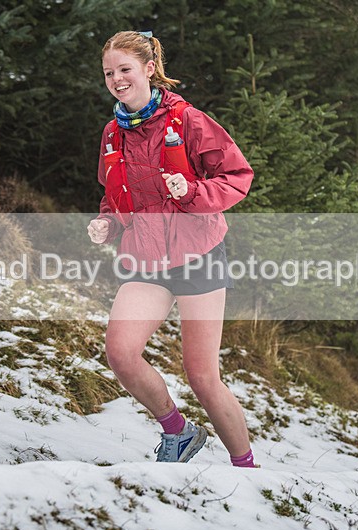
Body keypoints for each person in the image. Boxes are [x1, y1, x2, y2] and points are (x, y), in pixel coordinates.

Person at [87, 30, 256, 467]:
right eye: (109, 72)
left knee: (202, 376)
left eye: (125, 69)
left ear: (148, 69)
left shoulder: (188, 120)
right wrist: (107, 222)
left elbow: (238, 177)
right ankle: (178, 433)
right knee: (121, 353)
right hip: (146, 259)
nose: (117, 79)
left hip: (198, 255)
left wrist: (192, 192)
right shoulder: (112, 133)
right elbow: (116, 194)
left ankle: (247, 469)